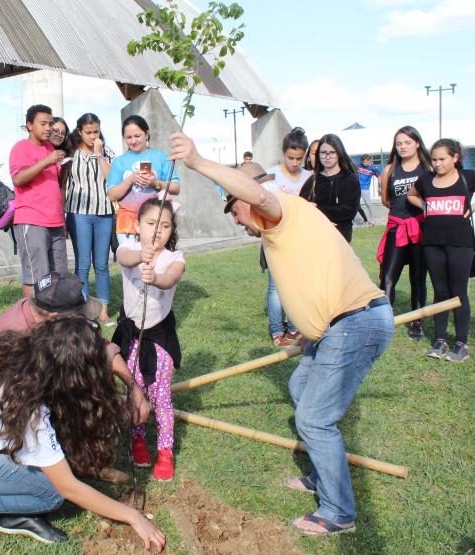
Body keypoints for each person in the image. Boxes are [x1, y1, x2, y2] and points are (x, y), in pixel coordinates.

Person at [170, 130, 393, 536]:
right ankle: (323, 473)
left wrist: (198, 162)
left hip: (355, 323)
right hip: (336, 326)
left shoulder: (280, 209)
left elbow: (258, 195)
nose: (237, 221)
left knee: (314, 419)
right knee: (299, 387)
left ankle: (338, 512)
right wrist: (312, 328)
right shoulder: (286, 223)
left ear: (245, 199)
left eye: (233, 210)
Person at [0, 317, 166, 552]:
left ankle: (8, 506)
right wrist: (133, 516)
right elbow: (68, 487)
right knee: (50, 492)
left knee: (45, 470)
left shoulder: (10, 351)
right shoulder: (29, 408)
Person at [0, 270, 151, 439]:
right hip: (5, 418)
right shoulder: (14, 342)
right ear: (56, 317)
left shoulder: (45, 315)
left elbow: (102, 346)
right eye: (79, 315)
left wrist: (133, 387)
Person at [408, 139, 475, 362]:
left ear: (455, 157)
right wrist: (424, 206)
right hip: (432, 243)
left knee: (459, 292)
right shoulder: (426, 180)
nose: (437, 164)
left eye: (442, 159)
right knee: (440, 291)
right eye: (434, 159)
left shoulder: (468, 177)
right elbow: (411, 194)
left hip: (460, 243)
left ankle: (461, 343)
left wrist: (474, 207)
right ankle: (440, 339)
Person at [112, 199, 185, 481]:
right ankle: (138, 438)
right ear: (137, 225)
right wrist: (141, 256)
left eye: (165, 226)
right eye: (151, 223)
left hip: (159, 338)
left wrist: (154, 277)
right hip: (131, 335)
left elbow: (170, 279)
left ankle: (165, 451)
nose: (157, 231)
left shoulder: (175, 258)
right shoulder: (127, 249)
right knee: (136, 390)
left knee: (161, 395)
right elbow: (124, 258)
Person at [377, 126, 432, 341]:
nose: (402, 147)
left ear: (417, 143)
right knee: (388, 276)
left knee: (418, 278)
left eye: (407, 142)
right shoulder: (390, 169)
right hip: (397, 227)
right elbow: (385, 200)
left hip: (420, 228)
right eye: (399, 143)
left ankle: (417, 322)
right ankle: (384, 321)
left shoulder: (428, 168)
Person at [9, 105, 67, 299]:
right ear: (29, 125)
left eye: (50, 123)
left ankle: (53, 313)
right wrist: (46, 161)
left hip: (55, 221)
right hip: (32, 220)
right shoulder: (20, 148)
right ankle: (32, 314)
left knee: (59, 275)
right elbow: (18, 179)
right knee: (36, 276)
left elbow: (56, 186)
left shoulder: (50, 148)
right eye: (43, 123)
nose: (48, 128)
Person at [62, 113, 115, 325]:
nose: (93, 136)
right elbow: (63, 184)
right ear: (80, 132)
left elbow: (111, 178)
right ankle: (83, 312)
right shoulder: (71, 153)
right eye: (89, 132)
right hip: (79, 213)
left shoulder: (107, 152)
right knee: (82, 265)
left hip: (104, 213)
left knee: (101, 265)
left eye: (96, 132)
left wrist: (99, 154)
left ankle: (103, 312)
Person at [262, 127, 312, 347]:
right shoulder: (271, 175)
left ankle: (293, 328)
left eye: (299, 159)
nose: (294, 163)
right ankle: (276, 331)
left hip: (299, 239)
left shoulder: (309, 177)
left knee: (296, 285)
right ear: (283, 153)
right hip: (275, 237)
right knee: (276, 286)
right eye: (290, 158)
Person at [107, 115, 180, 246]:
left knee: (154, 258)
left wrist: (156, 183)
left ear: (146, 134)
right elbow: (112, 195)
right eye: (129, 137)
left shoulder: (162, 157)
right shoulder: (119, 162)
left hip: (156, 223)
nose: (133, 141)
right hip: (127, 225)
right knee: (131, 259)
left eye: (137, 136)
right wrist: (131, 179)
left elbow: (176, 188)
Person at [300, 134, 360, 242]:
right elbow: (302, 208)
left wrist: (317, 209)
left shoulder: (350, 179)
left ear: (339, 153)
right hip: (316, 238)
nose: (327, 156)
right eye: (323, 153)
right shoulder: (312, 181)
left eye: (332, 152)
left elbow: (349, 211)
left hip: (341, 239)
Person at [355, 154, 379, 226]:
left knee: (369, 205)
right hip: (356, 188)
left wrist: (380, 187)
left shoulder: (373, 168)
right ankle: (365, 220)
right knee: (356, 205)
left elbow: (379, 177)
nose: (363, 163)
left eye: (365, 162)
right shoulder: (358, 165)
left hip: (365, 189)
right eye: (363, 162)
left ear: (369, 161)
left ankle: (372, 221)